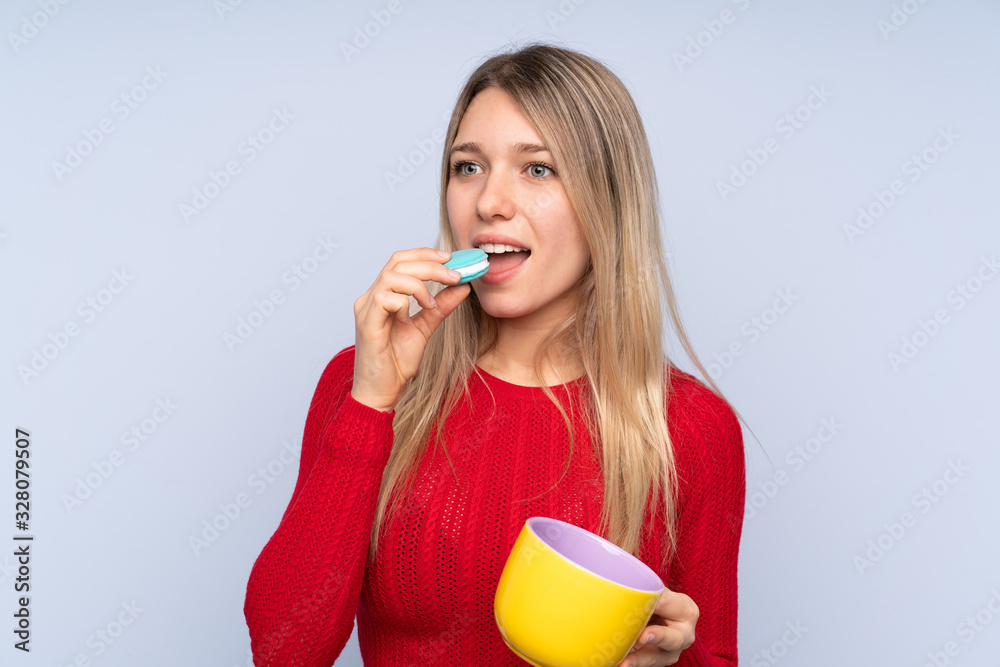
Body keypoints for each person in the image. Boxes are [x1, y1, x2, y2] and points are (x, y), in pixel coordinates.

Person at [244, 41, 749, 666]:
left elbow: (709, 653)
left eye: (537, 169)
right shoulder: (363, 384)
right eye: (468, 167)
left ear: (607, 204)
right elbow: (281, 650)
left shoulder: (691, 429)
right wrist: (369, 405)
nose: (488, 203)